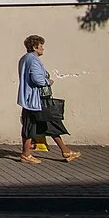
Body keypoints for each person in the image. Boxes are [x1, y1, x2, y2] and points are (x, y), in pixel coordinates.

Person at [17, 34, 80, 163]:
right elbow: (37, 79)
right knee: (35, 125)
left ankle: (65, 151)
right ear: (35, 47)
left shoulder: (25, 59)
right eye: (41, 46)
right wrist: (48, 81)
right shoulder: (33, 60)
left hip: (32, 99)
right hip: (36, 99)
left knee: (48, 123)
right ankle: (26, 154)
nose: (43, 48)